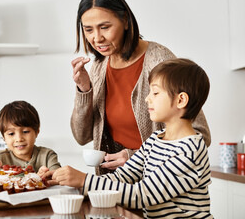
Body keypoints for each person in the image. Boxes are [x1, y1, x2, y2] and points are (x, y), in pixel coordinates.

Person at [45, 58, 212, 218]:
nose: (147, 98)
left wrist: (84, 181)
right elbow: (121, 177)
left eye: (155, 92)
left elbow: (142, 194)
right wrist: (66, 179)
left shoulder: (190, 151)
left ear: (181, 100)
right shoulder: (155, 139)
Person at [70, 0, 211, 175]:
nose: (97, 38)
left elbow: (199, 135)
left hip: (158, 186)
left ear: (126, 21)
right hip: (114, 186)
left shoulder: (159, 60)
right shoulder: (99, 66)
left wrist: (135, 157)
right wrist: (84, 89)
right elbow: (82, 136)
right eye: (88, 30)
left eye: (105, 27)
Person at [0, 100, 61, 174]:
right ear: (3, 137)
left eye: (25, 132)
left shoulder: (48, 156)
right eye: (11, 134)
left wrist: (45, 177)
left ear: (36, 131)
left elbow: (57, 177)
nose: (19, 139)